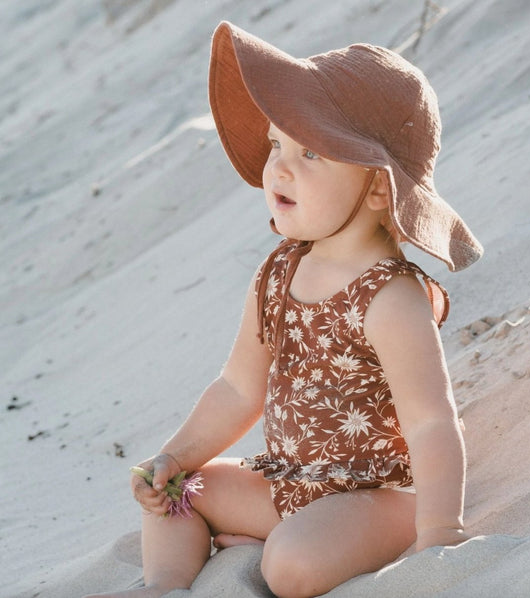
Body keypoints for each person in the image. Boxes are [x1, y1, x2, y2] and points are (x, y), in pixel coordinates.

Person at [86, 20, 483, 598]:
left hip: (372, 494)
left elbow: (431, 421)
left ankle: (320, 539)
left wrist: (439, 531)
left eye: (311, 151)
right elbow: (237, 389)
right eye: (276, 144)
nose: (279, 166)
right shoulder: (279, 271)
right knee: (179, 490)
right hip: (287, 480)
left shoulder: (391, 296)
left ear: (378, 186)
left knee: (291, 567)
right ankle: (166, 584)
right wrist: (175, 454)